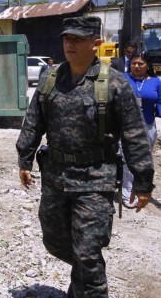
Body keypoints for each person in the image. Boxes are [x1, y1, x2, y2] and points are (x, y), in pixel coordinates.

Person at [16, 16, 154, 298]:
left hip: (96, 178)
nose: (70, 44)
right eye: (67, 38)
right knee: (54, 241)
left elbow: (134, 134)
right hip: (56, 177)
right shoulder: (50, 77)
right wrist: (25, 158)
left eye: (78, 39)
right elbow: (34, 119)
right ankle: (81, 282)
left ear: (96, 43)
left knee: (89, 252)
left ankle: (88, 288)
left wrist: (143, 182)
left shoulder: (114, 83)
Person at [122, 50, 161, 208]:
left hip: (148, 126)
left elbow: (159, 103)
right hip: (126, 126)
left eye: (140, 63)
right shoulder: (123, 79)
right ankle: (127, 190)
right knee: (126, 159)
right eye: (133, 63)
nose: (136, 66)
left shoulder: (155, 82)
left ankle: (141, 189)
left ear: (148, 65)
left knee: (144, 160)